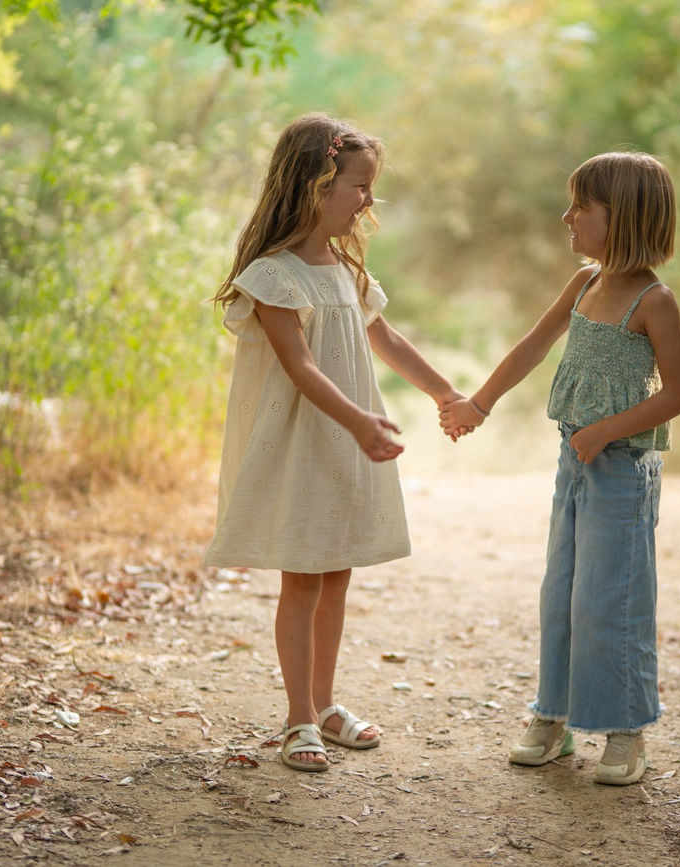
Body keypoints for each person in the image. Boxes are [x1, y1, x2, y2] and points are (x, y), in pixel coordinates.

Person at [204, 114, 465, 772]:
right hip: (308, 443)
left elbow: (389, 340)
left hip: (346, 439)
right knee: (303, 577)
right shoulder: (274, 274)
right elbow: (300, 367)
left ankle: (323, 703)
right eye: (359, 187)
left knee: (337, 572)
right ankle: (297, 718)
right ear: (315, 185)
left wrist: (445, 394)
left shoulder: (345, 270)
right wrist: (359, 422)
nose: (367, 201)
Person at [440, 151, 680, 785]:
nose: (568, 216)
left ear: (625, 218)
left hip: (621, 469)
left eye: (582, 207)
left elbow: (678, 395)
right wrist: (479, 402)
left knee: (613, 600)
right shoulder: (582, 284)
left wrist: (604, 432)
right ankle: (552, 717)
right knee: (563, 593)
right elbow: (534, 342)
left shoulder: (653, 302)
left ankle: (626, 731)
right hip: (573, 461)